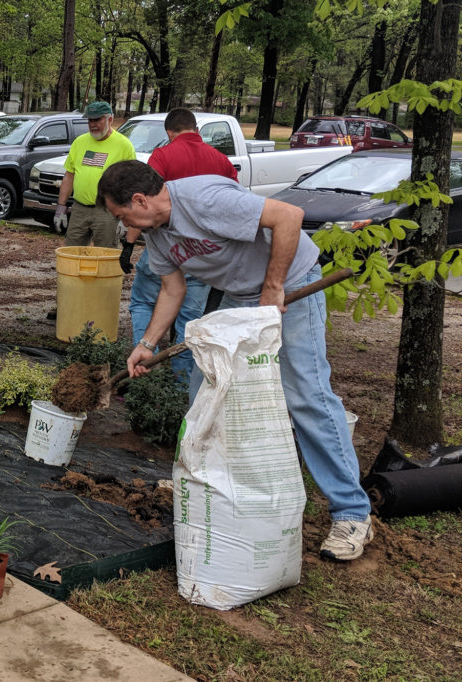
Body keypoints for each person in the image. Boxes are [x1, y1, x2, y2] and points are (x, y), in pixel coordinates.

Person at [97, 160, 374, 562]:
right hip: (237, 295)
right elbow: (172, 290)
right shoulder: (156, 235)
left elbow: (289, 216)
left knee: (306, 396)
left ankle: (352, 513)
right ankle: (195, 481)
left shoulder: (205, 200)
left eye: (123, 216)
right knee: (207, 388)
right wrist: (148, 342)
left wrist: (274, 286)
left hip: (291, 286)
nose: (126, 227)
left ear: (140, 200)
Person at [122, 107, 240, 384]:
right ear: (197, 130)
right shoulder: (221, 159)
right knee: (189, 318)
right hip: (205, 253)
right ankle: (181, 384)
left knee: (143, 301)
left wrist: (128, 244)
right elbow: (233, 199)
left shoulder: (163, 155)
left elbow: (143, 204)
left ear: (169, 132)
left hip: (166, 247)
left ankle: (144, 372)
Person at [54, 101, 135, 248]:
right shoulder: (80, 142)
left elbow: (130, 183)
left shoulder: (124, 145)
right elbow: (69, 176)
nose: (93, 124)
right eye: (90, 120)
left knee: (104, 254)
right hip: (80, 209)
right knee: (72, 252)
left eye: (98, 119)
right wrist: (61, 207)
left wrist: (126, 216)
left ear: (110, 119)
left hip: (108, 211)